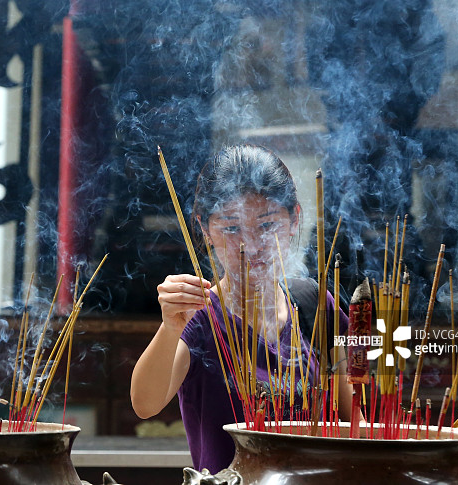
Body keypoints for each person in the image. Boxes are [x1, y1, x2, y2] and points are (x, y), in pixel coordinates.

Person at [130, 144, 353, 474]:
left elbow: (353, 422)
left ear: (294, 220)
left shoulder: (315, 306)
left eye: (266, 225)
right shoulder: (198, 317)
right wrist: (170, 326)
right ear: (205, 230)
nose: (251, 245)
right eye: (232, 228)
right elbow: (145, 404)